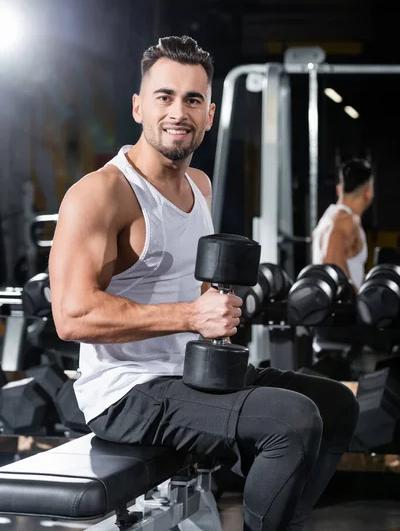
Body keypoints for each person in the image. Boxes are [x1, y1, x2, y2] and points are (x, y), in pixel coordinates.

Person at [49, 35, 359, 531]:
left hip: (191, 375)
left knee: (336, 404)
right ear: (138, 107)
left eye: (193, 99)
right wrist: (191, 316)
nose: (179, 112)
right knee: (291, 423)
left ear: (209, 114)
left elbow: (189, 288)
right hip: (126, 393)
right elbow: (71, 316)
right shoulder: (102, 194)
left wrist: (217, 308)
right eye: (164, 97)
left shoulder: (200, 185)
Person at [312, 158, 374, 291]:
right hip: (342, 310)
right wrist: (359, 303)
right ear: (368, 192)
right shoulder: (345, 221)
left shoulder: (330, 217)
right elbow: (331, 265)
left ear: (339, 189)